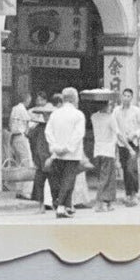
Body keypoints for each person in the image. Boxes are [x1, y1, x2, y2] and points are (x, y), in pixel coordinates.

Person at [44, 87, 86, 219]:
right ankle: (61, 206)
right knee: (68, 180)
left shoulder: (55, 114)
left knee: (59, 180)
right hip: (72, 154)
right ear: (74, 99)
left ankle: (67, 205)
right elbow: (78, 135)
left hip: (57, 153)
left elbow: (48, 132)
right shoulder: (78, 115)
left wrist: (55, 147)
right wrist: (67, 148)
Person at [113, 88, 140, 206]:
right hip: (121, 144)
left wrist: (135, 133)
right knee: (125, 170)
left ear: (131, 98)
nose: (126, 98)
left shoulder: (136, 111)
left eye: (129, 96)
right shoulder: (116, 111)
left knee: (131, 168)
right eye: (124, 96)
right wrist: (118, 136)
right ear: (121, 97)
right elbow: (114, 125)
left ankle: (134, 194)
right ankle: (128, 194)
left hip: (133, 144)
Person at [22, 101, 55, 209]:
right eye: (45, 115)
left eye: (49, 115)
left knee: (54, 184)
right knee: (39, 183)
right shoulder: (38, 128)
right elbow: (29, 136)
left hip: (51, 157)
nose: (46, 117)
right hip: (40, 158)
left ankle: (57, 204)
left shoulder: (55, 128)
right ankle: (40, 205)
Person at [89, 95, 119, 212]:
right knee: (107, 178)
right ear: (106, 105)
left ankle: (109, 202)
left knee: (102, 177)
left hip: (97, 151)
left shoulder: (93, 116)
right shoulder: (110, 118)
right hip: (108, 150)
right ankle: (100, 202)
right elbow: (117, 133)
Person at [8, 91, 34, 172]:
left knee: (19, 162)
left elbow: (10, 123)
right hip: (21, 137)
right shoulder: (22, 109)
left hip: (14, 138)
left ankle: (20, 183)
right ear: (27, 99)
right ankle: (26, 182)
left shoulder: (14, 108)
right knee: (27, 160)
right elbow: (29, 123)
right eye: (29, 100)